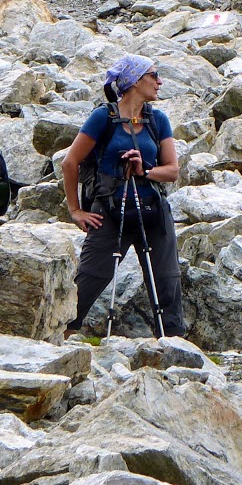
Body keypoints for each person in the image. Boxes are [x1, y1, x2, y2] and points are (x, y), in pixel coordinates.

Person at [62, 54, 183, 338]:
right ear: (135, 81)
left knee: (166, 282)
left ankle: (174, 346)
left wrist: (145, 170)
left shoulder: (157, 120)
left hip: (153, 211)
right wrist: (75, 211)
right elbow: (70, 162)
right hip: (109, 210)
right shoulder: (103, 117)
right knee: (90, 279)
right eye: (154, 75)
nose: (159, 82)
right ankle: (61, 335)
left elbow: (173, 171)